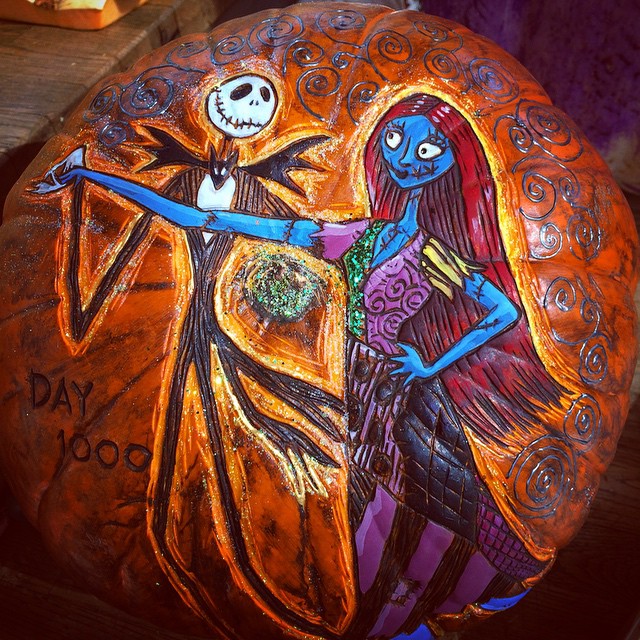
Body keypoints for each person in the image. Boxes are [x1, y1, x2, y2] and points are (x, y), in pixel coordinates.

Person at [37, 93, 561, 639]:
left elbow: (503, 311)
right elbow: (210, 218)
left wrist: (430, 365)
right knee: (363, 501)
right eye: (396, 140)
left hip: (397, 391)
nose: (408, 159)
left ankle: (434, 599)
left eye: (428, 150)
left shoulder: (432, 253)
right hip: (352, 383)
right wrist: (95, 176)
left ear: (452, 164)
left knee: (442, 500)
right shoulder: (360, 237)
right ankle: (373, 609)